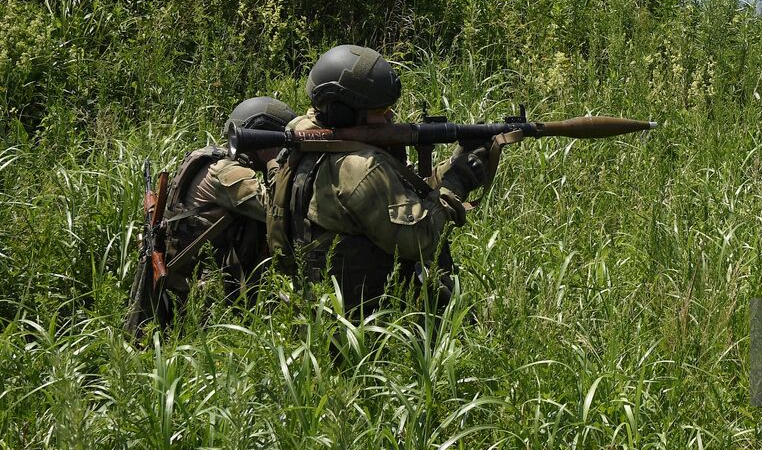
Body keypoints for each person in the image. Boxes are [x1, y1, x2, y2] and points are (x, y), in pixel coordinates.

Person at [267, 44, 490, 314]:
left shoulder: (305, 137)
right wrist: (458, 182)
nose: (390, 116)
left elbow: (404, 197)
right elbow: (420, 239)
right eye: (381, 109)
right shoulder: (359, 167)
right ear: (345, 113)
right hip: (367, 321)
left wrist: (450, 166)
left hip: (318, 306)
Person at [126, 96, 297, 332]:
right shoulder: (228, 173)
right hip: (205, 292)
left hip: (187, 279)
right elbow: (277, 210)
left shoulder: (211, 158)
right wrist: (272, 162)